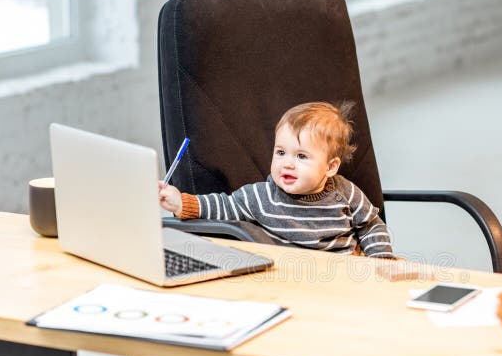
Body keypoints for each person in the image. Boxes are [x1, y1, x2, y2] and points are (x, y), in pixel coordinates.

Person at [158, 101, 394, 258]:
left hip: (343, 274)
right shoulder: (261, 196)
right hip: (287, 277)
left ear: (331, 167)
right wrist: (181, 202)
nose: (287, 163)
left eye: (302, 156)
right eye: (281, 152)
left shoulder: (346, 193)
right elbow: (224, 205)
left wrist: (381, 261)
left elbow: (370, 225)